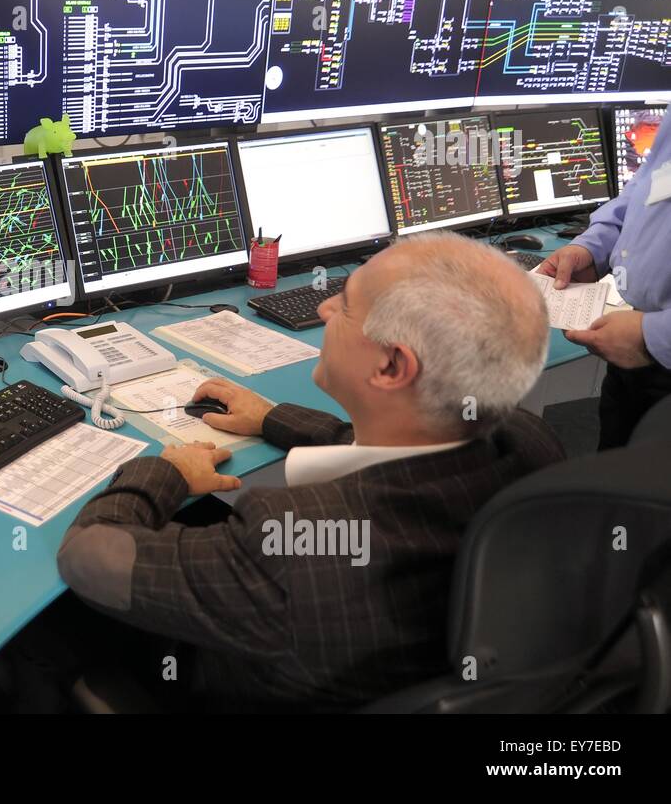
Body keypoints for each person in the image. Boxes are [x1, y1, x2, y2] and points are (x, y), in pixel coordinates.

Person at [56, 232, 564, 710]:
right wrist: (271, 418)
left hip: (230, 688)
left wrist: (166, 471)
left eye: (343, 306)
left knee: (51, 635)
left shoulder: (298, 543)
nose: (323, 307)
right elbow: (399, 450)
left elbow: (87, 555)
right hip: (390, 669)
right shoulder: (528, 442)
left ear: (391, 366)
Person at [539, 118, 671, 448]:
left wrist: (651, 335)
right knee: (612, 474)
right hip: (633, 358)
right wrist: (592, 246)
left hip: (656, 350)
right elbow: (644, 192)